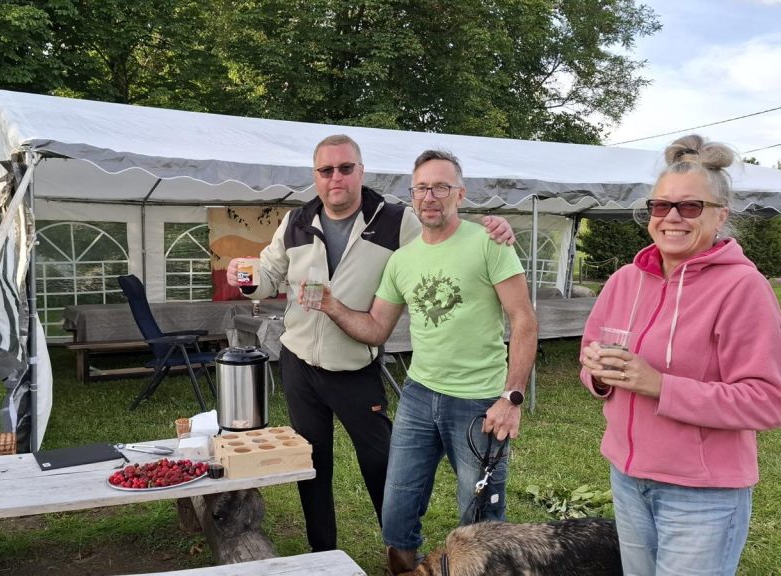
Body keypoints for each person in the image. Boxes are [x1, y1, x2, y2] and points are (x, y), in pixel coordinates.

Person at [225, 135, 516, 553]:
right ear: (315, 176)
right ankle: (323, 552)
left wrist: (495, 228)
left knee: (382, 463)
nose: (336, 177)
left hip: (355, 365)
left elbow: (443, 229)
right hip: (300, 363)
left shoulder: (395, 219)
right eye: (326, 170)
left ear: (361, 171)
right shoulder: (295, 222)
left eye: (346, 168)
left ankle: (398, 548)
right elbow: (268, 276)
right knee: (313, 464)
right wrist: (247, 279)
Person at [304, 148, 537, 574]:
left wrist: (512, 397)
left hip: (478, 401)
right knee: (396, 511)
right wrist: (332, 306)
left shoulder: (489, 243)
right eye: (422, 188)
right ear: (412, 195)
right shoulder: (402, 260)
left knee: (480, 518)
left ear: (460, 194)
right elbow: (377, 328)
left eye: (441, 187)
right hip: (418, 396)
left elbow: (524, 321)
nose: (430, 197)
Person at [579, 134, 781, 576]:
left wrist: (660, 385)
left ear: (720, 215)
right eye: (661, 205)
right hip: (628, 479)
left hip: (701, 495)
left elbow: (767, 401)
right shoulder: (625, 280)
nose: (672, 217)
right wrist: (597, 375)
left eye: (690, 207)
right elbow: (589, 357)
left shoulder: (743, 288)